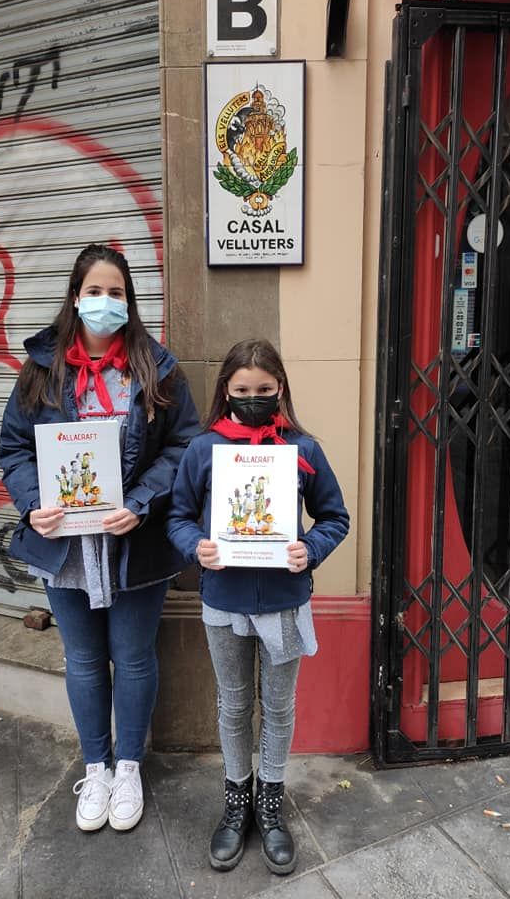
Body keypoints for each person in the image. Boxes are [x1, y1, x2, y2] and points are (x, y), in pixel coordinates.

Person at [0, 243, 199, 833]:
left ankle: (130, 766)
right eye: (94, 291)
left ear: (130, 301)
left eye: (117, 292)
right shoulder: (41, 370)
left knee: (133, 658)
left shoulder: (157, 369)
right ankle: (98, 766)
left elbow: (184, 445)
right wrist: (34, 503)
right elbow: (14, 449)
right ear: (75, 297)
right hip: (67, 547)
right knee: (84, 659)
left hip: (134, 541)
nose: (105, 302)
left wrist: (140, 503)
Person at [167, 339, 350, 875]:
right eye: (243, 390)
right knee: (232, 705)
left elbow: (334, 517)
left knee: (279, 707)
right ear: (226, 390)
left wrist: (308, 549)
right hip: (223, 603)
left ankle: (270, 805)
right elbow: (178, 516)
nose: (253, 399)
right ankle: (236, 801)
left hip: (284, 603)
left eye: (264, 391)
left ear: (281, 390)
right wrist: (195, 546)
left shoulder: (303, 450)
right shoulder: (203, 450)